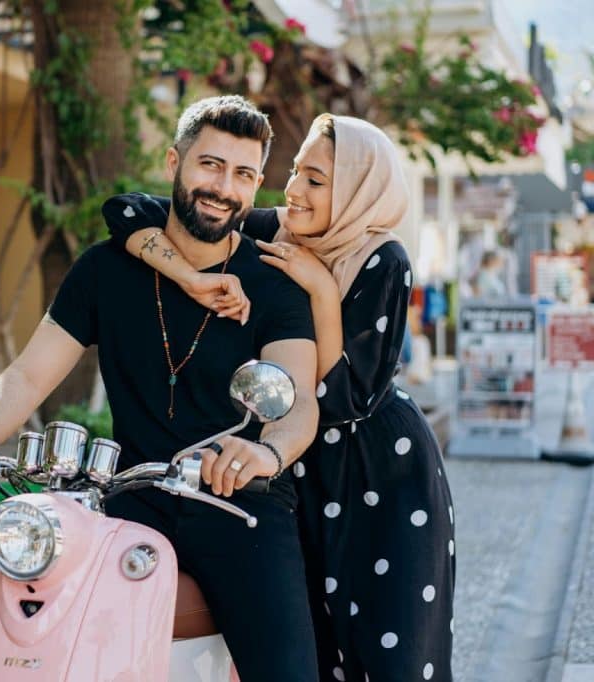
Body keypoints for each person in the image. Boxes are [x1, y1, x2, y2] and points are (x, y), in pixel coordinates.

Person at [0, 95, 322, 681]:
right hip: (133, 497)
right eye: (210, 164)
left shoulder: (274, 286)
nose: (224, 187)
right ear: (173, 161)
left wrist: (265, 451)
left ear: (257, 186)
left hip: (241, 503)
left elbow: (297, 400)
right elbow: (27, 374)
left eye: (243, 174)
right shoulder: (106, 269)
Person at [102, 114, 455, 682]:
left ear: (355, 188)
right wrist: (189, 278)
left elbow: (343, 395)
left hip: (376, 474)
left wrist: (318, 288)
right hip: (296, 468)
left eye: (316, 180)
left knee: (391, 648)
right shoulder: (276, 231)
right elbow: (124, 211)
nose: (293, 190)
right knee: (312, 641)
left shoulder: (382, 259)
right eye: (295, 170)